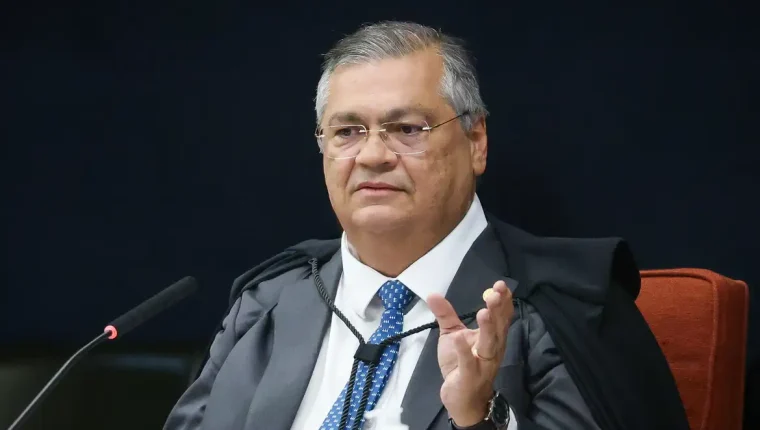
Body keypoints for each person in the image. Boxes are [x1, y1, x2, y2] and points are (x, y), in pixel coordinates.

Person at [164, 21, 689, 430]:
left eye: (407, 129)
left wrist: (480, 419)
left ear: (476, 141)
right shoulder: (269, 303)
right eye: (347, 131)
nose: (372, 155)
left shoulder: (563, 306)